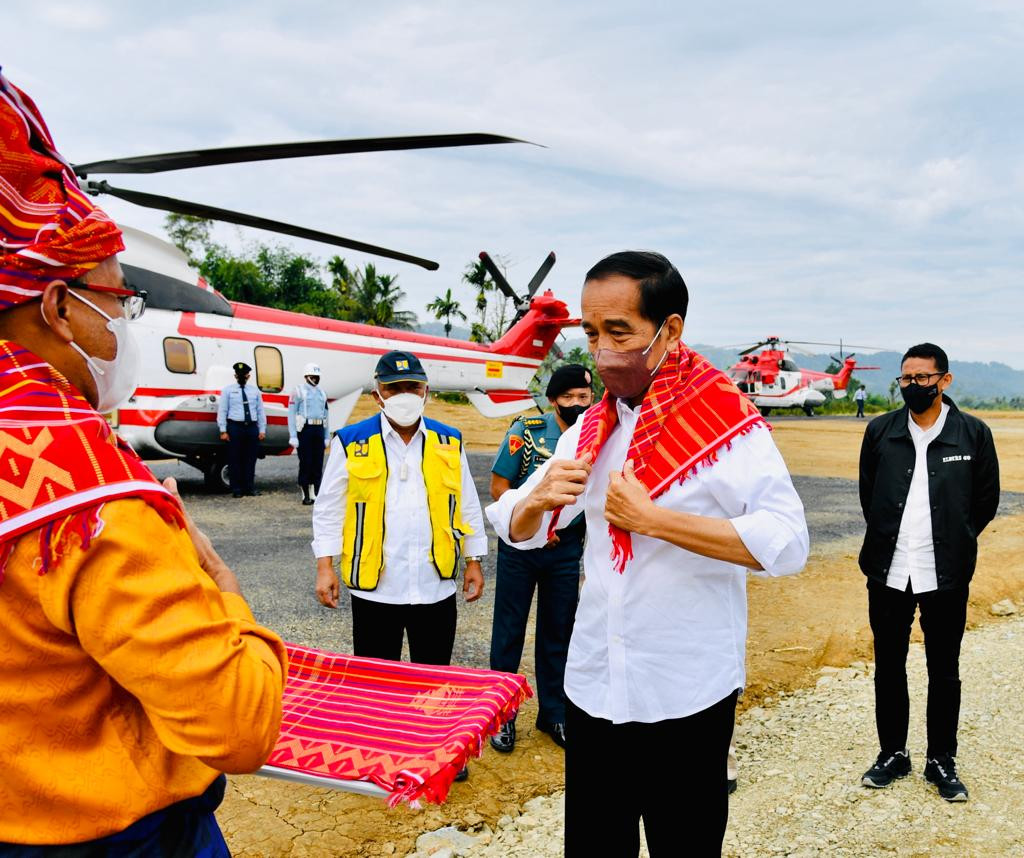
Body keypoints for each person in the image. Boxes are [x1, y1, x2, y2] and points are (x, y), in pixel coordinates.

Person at [0, 67, 287, 854]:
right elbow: (239, 723)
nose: (124, 325)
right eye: (120, 302)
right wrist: (227, 594)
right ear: (59, 308)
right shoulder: (85, 493)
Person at [487, 251, 808, 857]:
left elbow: (789, 541)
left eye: (619, 332)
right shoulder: (591, 426)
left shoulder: (727, 426)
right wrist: (535, 506)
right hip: (595, 688)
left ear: (671, 330)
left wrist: (655, 521)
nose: (603, 350)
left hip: (684, 693)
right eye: (590, 333)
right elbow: (511, 520)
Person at [311, 351, 487, 776]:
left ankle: (434, 752)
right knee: (376, 680)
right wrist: (324, 565)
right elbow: (329, 507)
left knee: (434, 675)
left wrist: (475, 559)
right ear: (378, 395)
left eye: (412, 387)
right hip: (377, 585)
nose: (404, 395)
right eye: (394, 388)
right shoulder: (351, 441)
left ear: (426, 391)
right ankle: (379, 753)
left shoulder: (450, 440)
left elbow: (467, 503)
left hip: (434, 584)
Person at [858, 343, 999, 802]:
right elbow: (869, 496)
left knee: (945, 671)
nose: (913, 386)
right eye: (906, 379)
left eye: (922, 378)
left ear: (945, 380)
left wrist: (954, 540)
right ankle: (892, 754)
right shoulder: (880, 432)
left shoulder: (973, 434)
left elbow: (985, 502)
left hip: (946, 575)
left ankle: (942, 760)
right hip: (889, 571)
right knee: (889, 667)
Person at [488, 364, 594, 753]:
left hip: (565, 549)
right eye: (569, 398)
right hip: (520, 548)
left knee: (558, 631)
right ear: (552, 400)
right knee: (509, 633)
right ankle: (500, 715)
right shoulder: (526, 433)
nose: (577, 404)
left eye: (584, 397)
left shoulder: (594, 437)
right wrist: (534, 527)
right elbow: (500, 487)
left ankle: (555, 713)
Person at [217, 361, 267, 497]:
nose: (242, 377)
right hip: (235, 427)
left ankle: (249, 488)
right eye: (239, 375)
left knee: (250, 459)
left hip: (251, 428)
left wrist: (262, 430)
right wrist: (223, 430)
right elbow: (222, 411)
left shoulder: (255, 391)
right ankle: (236, 489)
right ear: (235, 376)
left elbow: (260, 411)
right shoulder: (227, 391)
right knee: (235, 459)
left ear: (248, 376)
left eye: (244, 375)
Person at [289, 361, 330, 505]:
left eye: (317, 376)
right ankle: (305, 493)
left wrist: (326, 435)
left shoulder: (322, 393)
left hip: (318, 429)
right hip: (305, 429)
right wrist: (293, 435)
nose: (316, 378)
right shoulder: (298, 391)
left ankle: (316, 493)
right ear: (306, 376)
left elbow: (326, 415)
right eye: (313, 376)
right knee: (306, 462)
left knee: (318, 463)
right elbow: (292, 414)